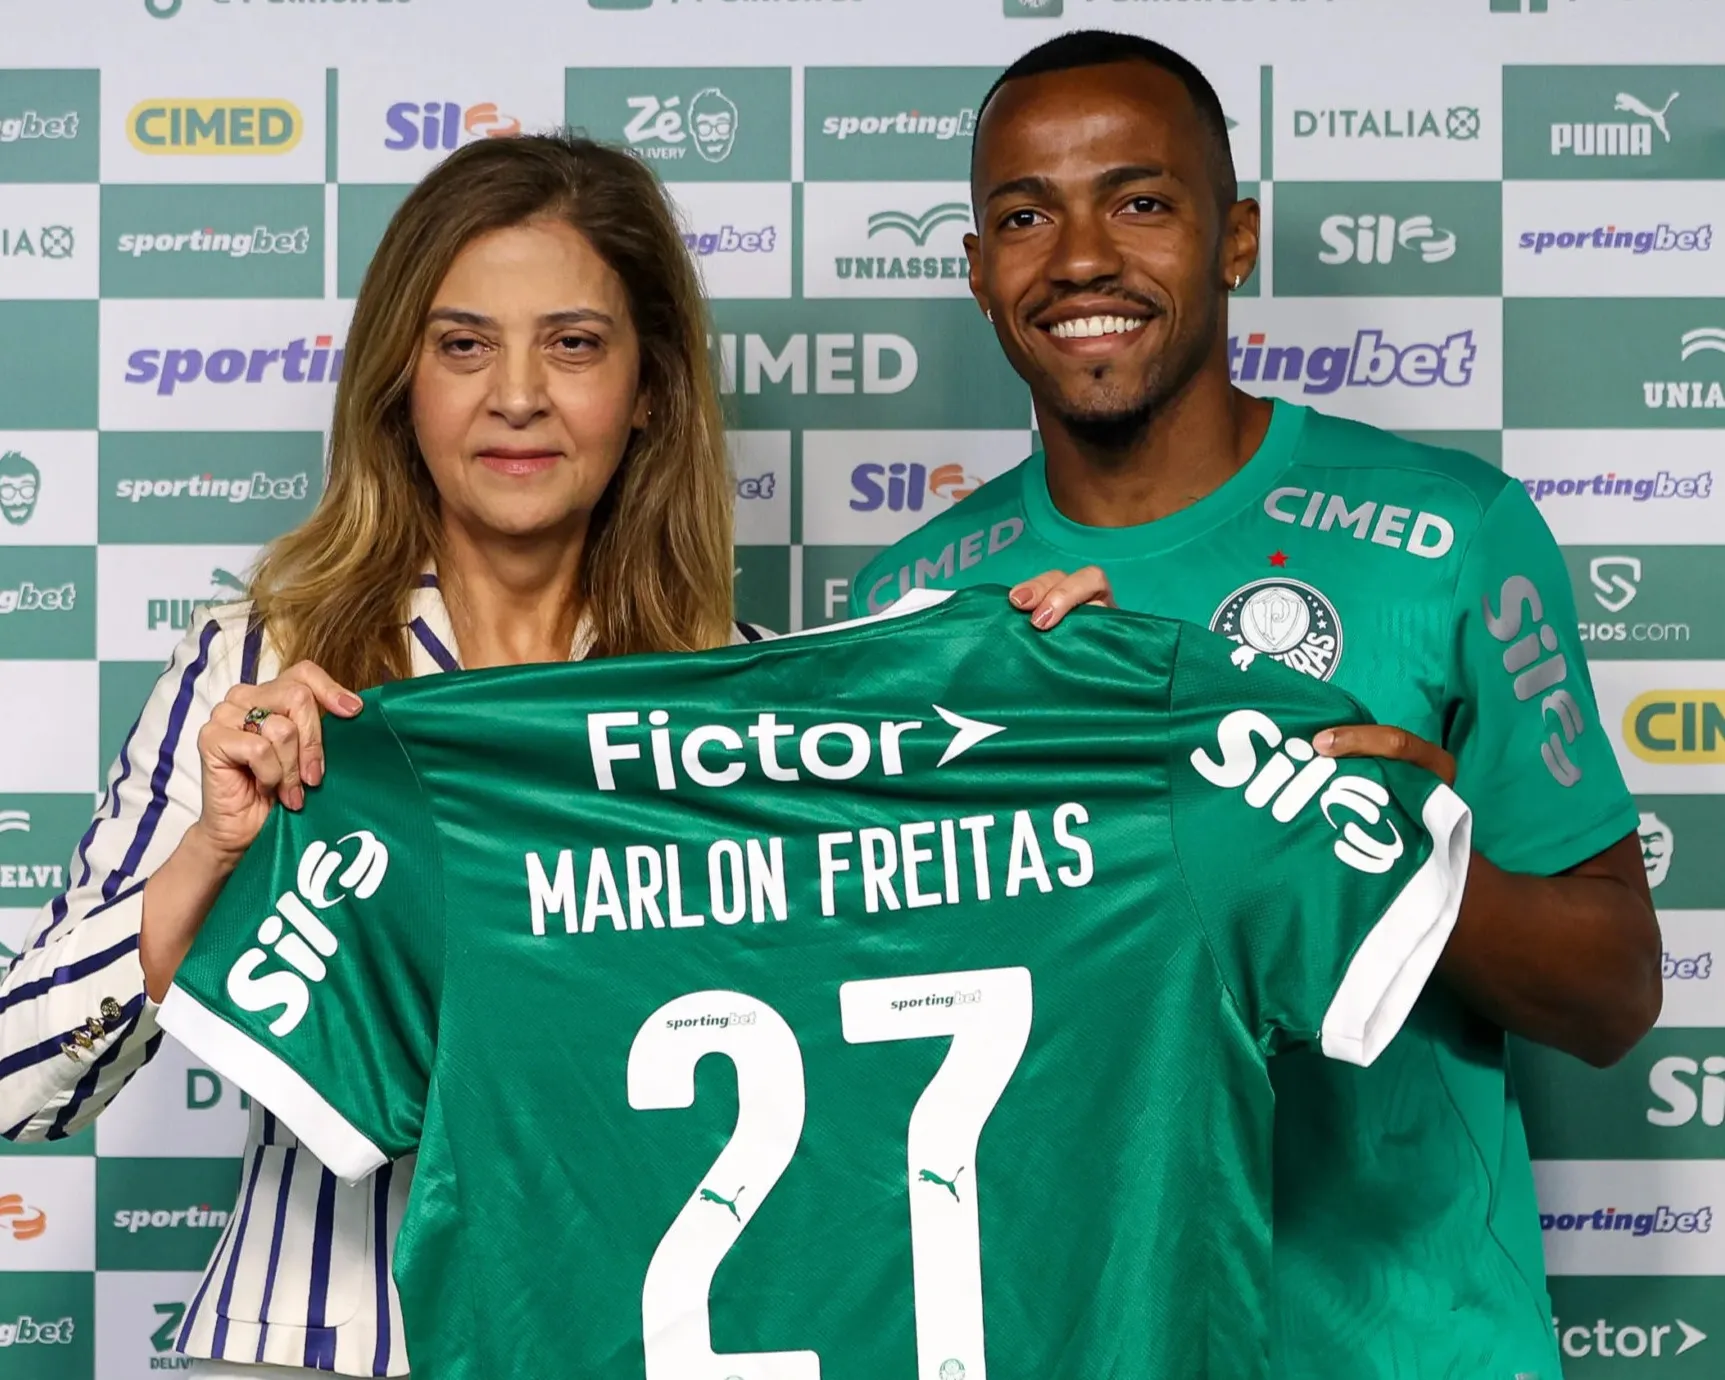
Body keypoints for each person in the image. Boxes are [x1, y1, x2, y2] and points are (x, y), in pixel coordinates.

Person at [850, 30, 1661, 1380]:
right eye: (1023, 216)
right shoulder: (912, 609)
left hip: (1403, 1347)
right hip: (1073, 1343)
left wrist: (1404, 867)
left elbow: (1614, 991)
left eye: (1141, 201)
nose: (1082, 258)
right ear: (980, 271)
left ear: (1235, 240)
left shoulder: (1449, 535)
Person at [0, 131, 760, 1378]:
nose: (518, 393)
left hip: (650, 1343)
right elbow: (21, 1085)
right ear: (400, 383)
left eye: (572, 343)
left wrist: (1041, 694)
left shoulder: (748, 710)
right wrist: (204, 866)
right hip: (322, 1343)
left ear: (651, 389)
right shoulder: (257, 672)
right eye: (464, 345)